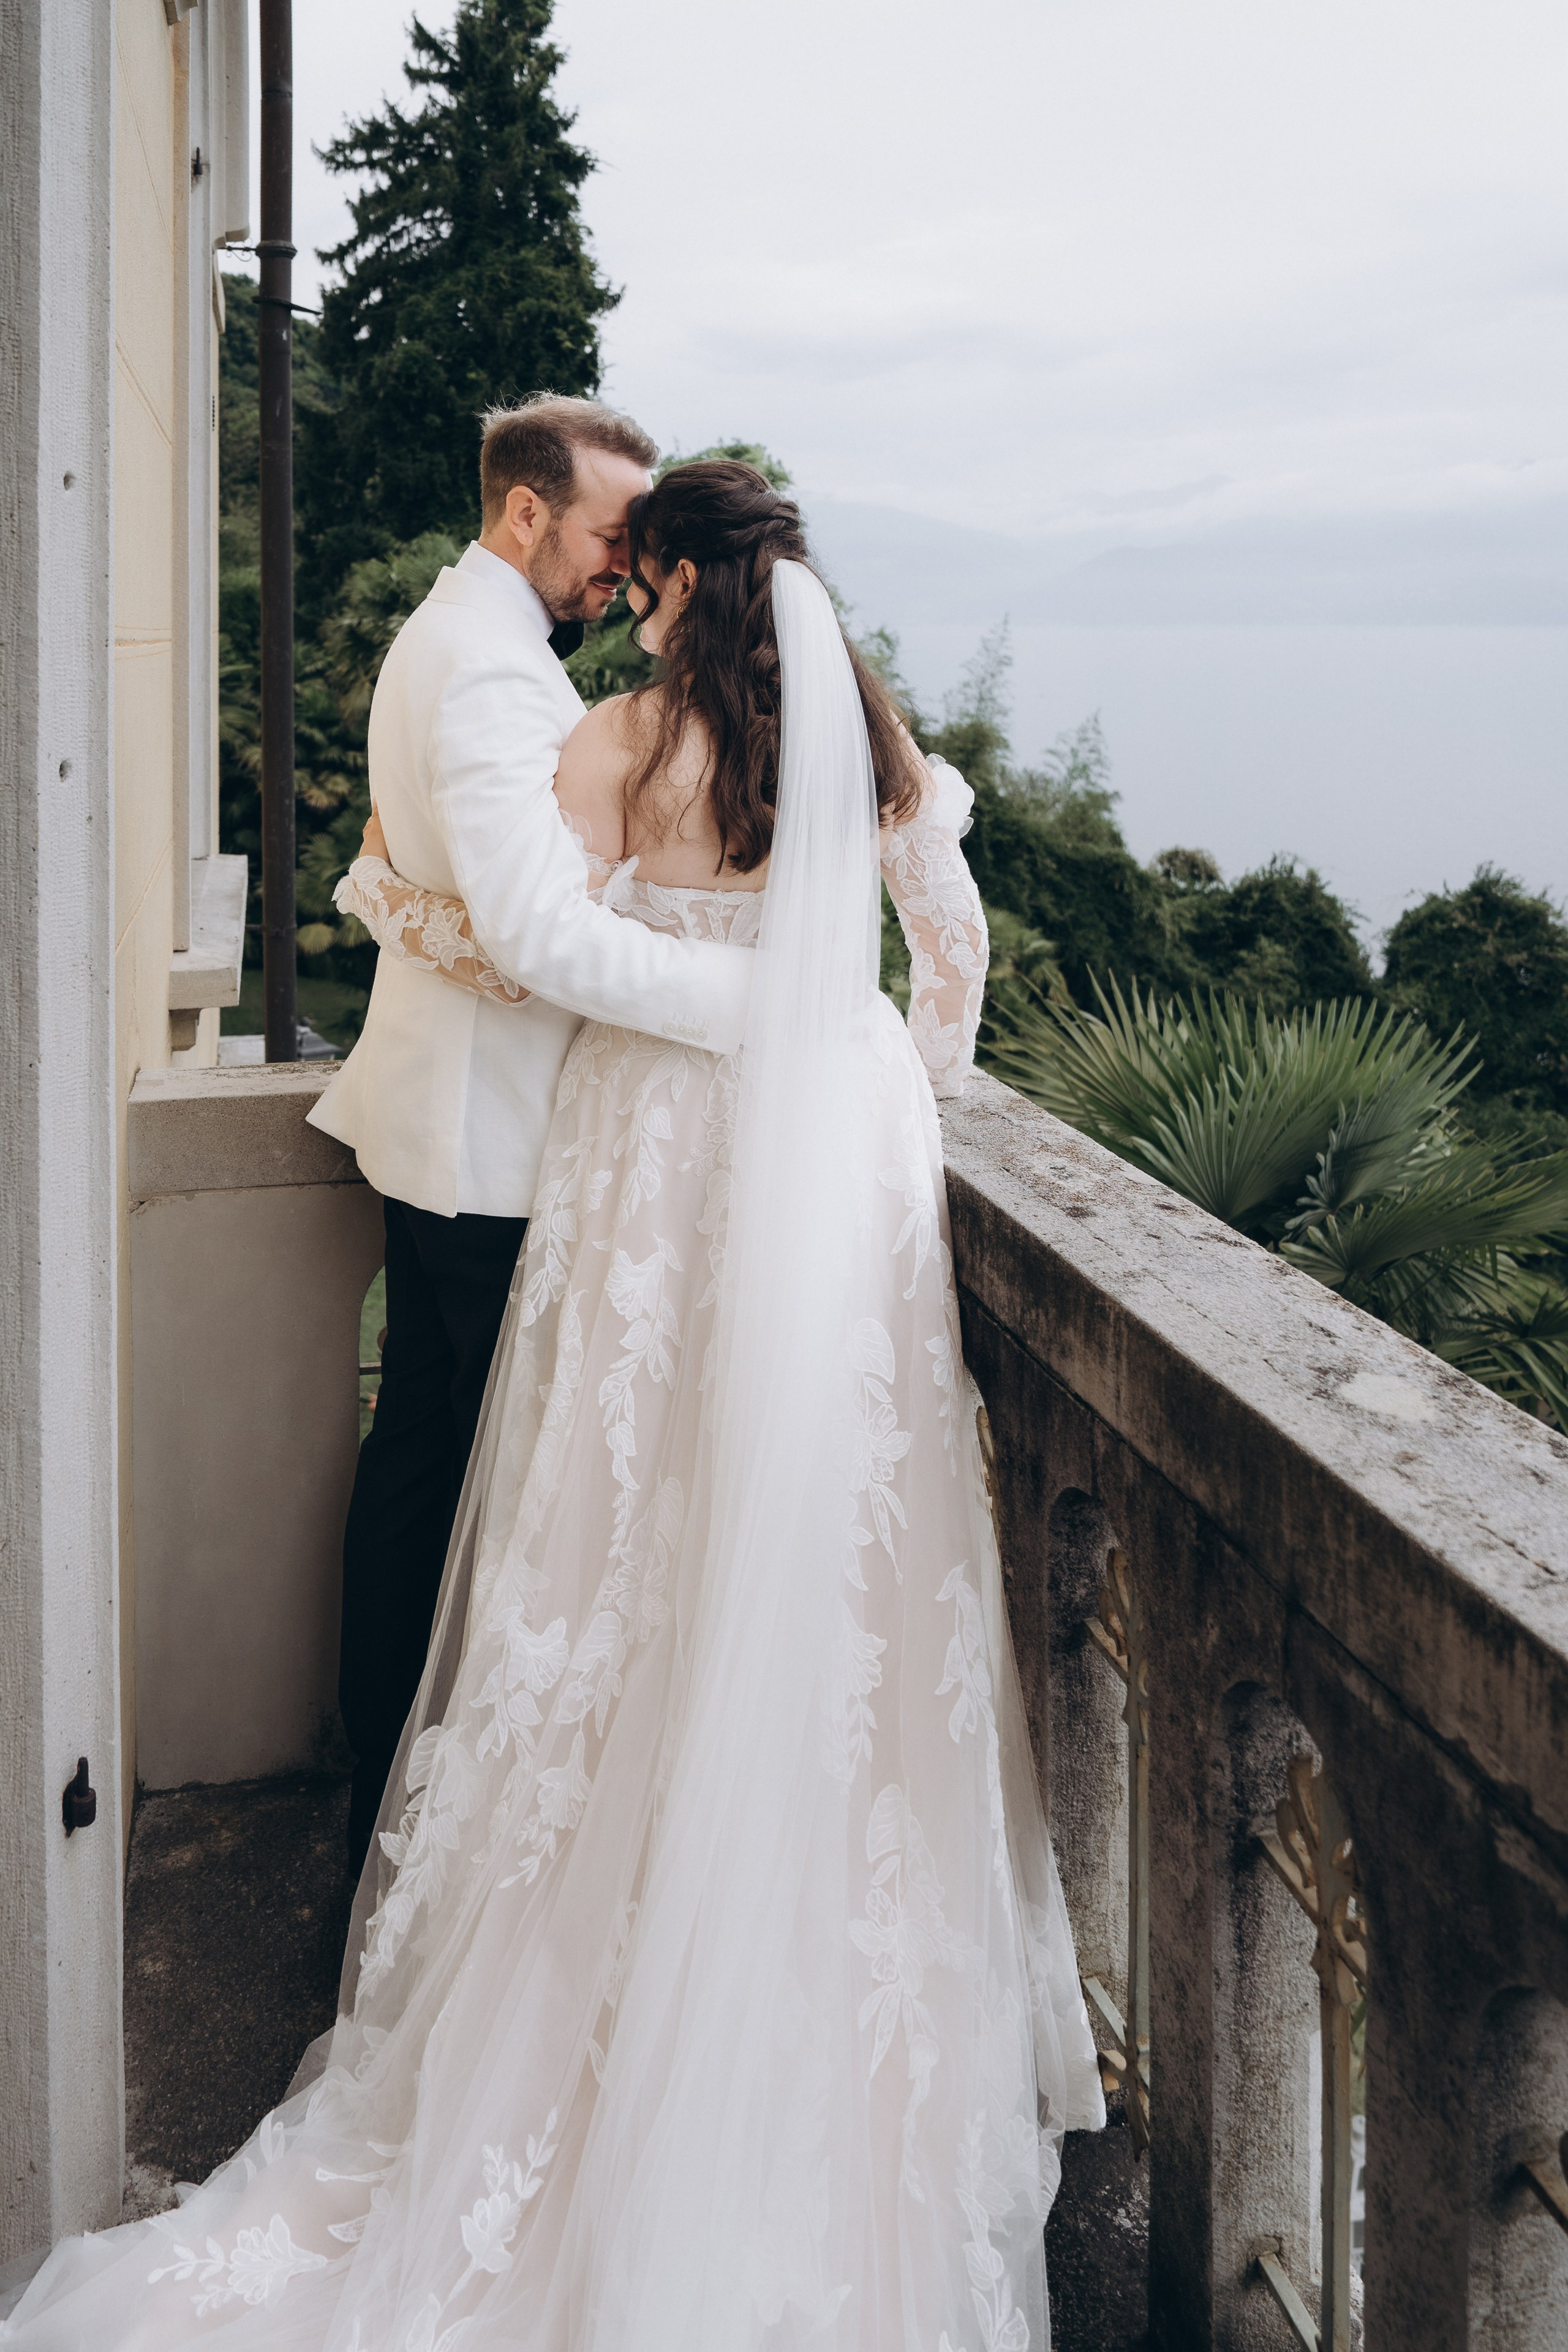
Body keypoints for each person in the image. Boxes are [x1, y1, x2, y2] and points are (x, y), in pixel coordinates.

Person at [4, 461, 1102, 2352]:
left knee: (615, 1540)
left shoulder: (616, 741)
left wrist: (393, 899)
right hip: (826, 1162)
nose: (630, 593)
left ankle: (582, 1973)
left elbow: (540, 942)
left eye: (643, 571)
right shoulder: (870, 736)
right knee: (817, 1547)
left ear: (674, 574)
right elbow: (955, 954)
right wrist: (876, 1096)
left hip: (653, 1159)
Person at [304, 396, 758, 1869]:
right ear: (525, 515)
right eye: (612, 539)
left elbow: (444, 895)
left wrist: (383, 898)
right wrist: (760, 1003)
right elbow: (543, 941)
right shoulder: (499, 676)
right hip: (488, 1152)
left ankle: (389, 1801)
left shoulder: (451, 633)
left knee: (424, 1469)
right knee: (490, 1505)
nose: (628, 575)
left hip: (450, 1127)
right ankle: (437, 1833)